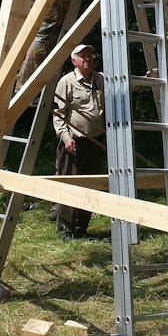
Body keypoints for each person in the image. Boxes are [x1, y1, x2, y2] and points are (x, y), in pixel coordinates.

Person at [51, 44, 106, 239]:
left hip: (96, 141)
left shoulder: (101, 79)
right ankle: (66, 230)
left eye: (90, 55)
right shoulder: (66, 82)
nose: (88, 59)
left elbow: (123, 87)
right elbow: (58, 114)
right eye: (83, 56)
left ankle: (82, 228)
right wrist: (66, 138)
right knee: (70, 185)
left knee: (90, 185)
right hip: (74, 142)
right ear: (74, 61)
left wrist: (146, 78)